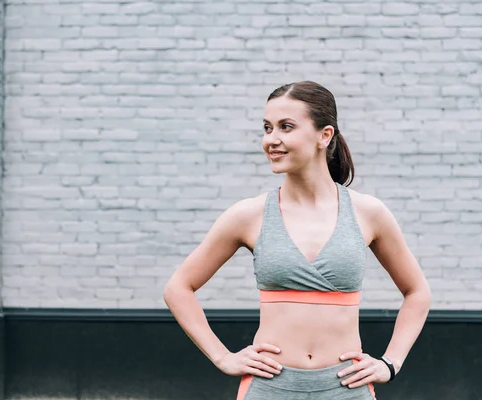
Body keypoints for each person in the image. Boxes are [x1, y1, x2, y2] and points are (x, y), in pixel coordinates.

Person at [163, 81, 432, 399]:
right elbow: (178, 288)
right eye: (267, 128)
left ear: (324, 135)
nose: (271, 140)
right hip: (270, 388)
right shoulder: (248, 215)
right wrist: (223, 357)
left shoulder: (367, 212)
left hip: (346, 390)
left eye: (286, 127)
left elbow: (417, 292)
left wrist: (390, 363)